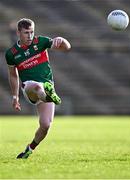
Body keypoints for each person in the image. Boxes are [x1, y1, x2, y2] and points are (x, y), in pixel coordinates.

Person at [5, 18, 71, 159]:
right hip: (29, 89)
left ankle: (29, 149)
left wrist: (62, 40)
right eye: (26, 33)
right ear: (18, 32)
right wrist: (15, 97)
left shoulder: (41, 42)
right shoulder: (11, 54)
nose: (30, 36)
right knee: (35, 85)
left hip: (47, 87)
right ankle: (45, 92)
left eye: (32, 32)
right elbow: (13, 76)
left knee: (45, 125)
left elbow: (67, 48)